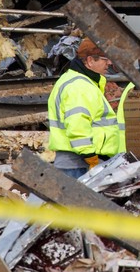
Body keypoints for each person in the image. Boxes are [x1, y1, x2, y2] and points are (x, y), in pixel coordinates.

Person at [47, 38, 122, 178]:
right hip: (80, 164)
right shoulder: (80, 86)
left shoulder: (76, 80)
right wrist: (90, 157)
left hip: (77, 161)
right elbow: (77, 125)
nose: (109, 63)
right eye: (105, 59)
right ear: (90, 61)